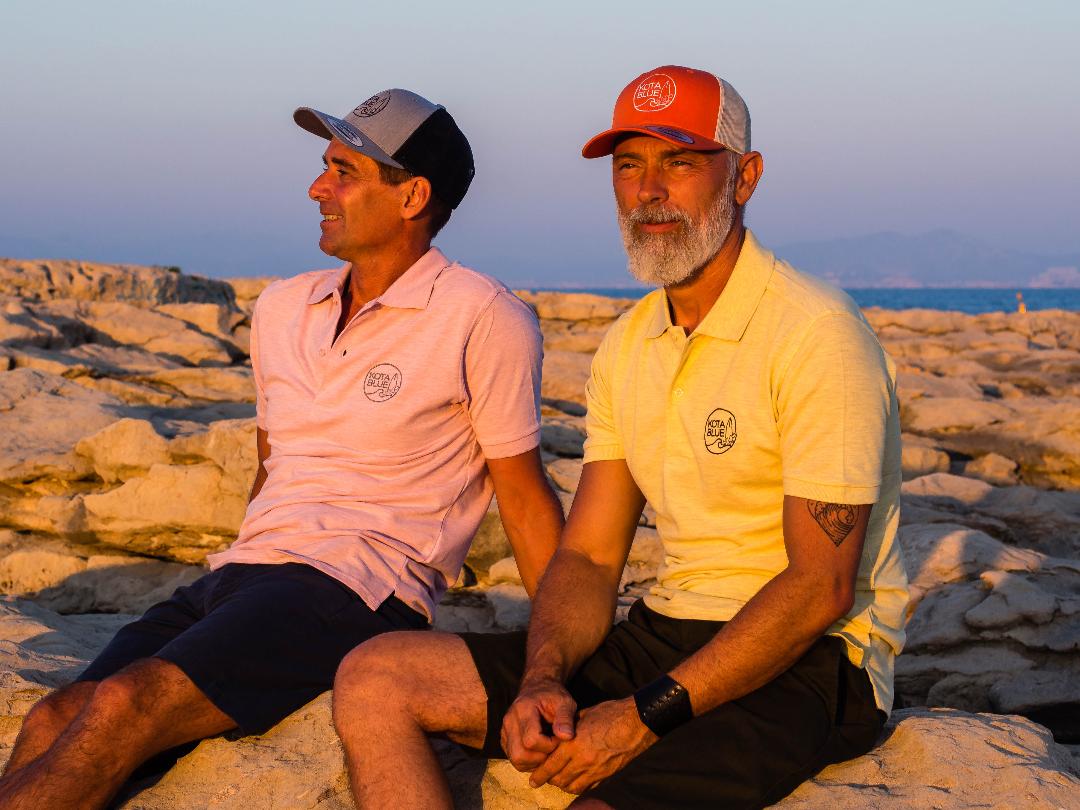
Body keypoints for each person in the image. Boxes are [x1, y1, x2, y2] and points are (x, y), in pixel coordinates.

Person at [331, 66, 909, 809]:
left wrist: (640, 720)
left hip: (811, 660)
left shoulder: (817, 334)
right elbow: (590, 555)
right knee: (376, 676)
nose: (649, 191)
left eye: (680, 162)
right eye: (629, 166)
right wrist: (543, 676)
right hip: (668, 630)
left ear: (745, 176)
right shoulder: (630, 344)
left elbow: (818, 588)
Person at [0, 88, 564, 809]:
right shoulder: (282, 307)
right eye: (324, 167)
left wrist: (566, 659)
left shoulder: (484, 316)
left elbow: (523, 495)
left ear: (412, 195)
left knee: (122, 709)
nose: (317, 187)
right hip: (243, 573)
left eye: (345, 171)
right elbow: (274, 468)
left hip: (358, 589)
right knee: (56, 715)